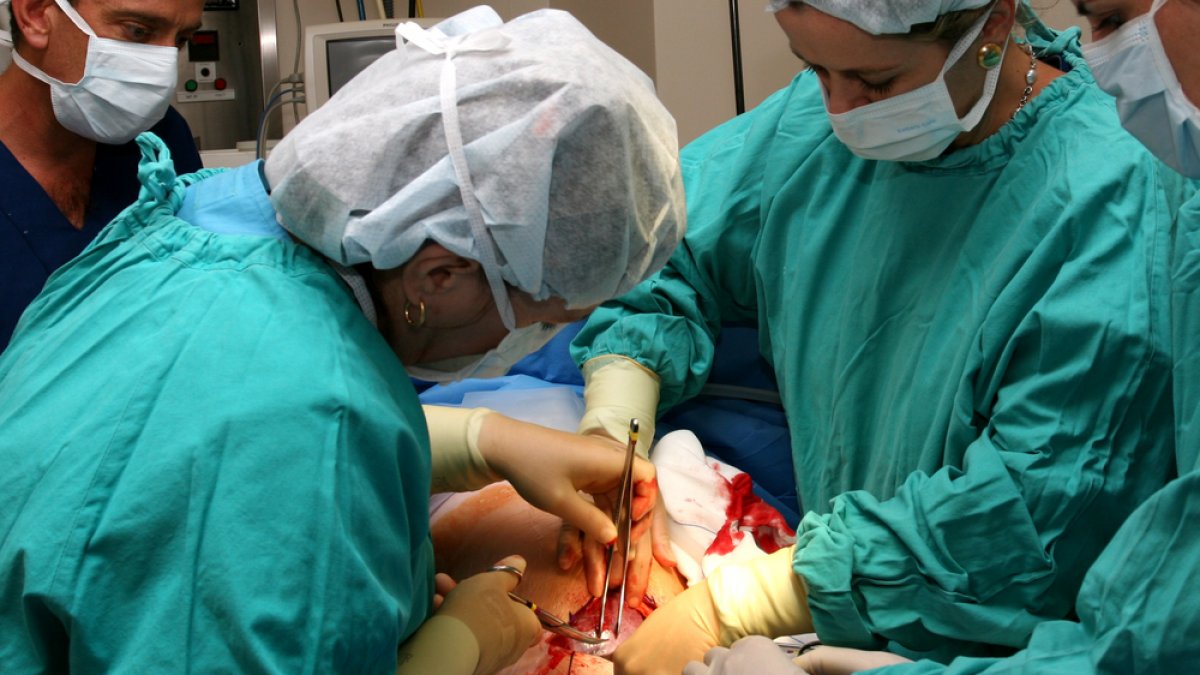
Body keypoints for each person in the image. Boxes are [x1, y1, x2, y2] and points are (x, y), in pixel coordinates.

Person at [0, 7, 684, 674]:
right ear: (439, 275)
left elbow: (159, 450)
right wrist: (457, 646)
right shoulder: (317, 419)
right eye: (544, 319)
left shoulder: (192, 220)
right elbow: (263, 443)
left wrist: (482, 443)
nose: (537, 339)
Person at [562, 0, 1195, 672]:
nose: (840, 108)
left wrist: (760, 597)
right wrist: (615, 419)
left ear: (992, 25)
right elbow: (660, 244)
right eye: (815, 69)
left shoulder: (1117, 195)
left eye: (877, 81)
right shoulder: (809, 129)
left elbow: (1036, 516)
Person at [0, 0, 203, 350]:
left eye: (181, 39)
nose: (165, 66)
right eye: (138, 31)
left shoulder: (160, 140)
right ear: (36, 15)